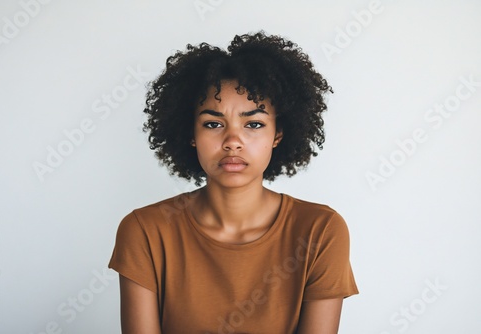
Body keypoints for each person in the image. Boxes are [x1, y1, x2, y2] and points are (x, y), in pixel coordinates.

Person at [109, 31, 358, 334]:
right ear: (190, 134)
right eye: (213, 124)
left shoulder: (321, 231)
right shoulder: (145, 232)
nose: (232, 142)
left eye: (254, 124)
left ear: (278, 134)